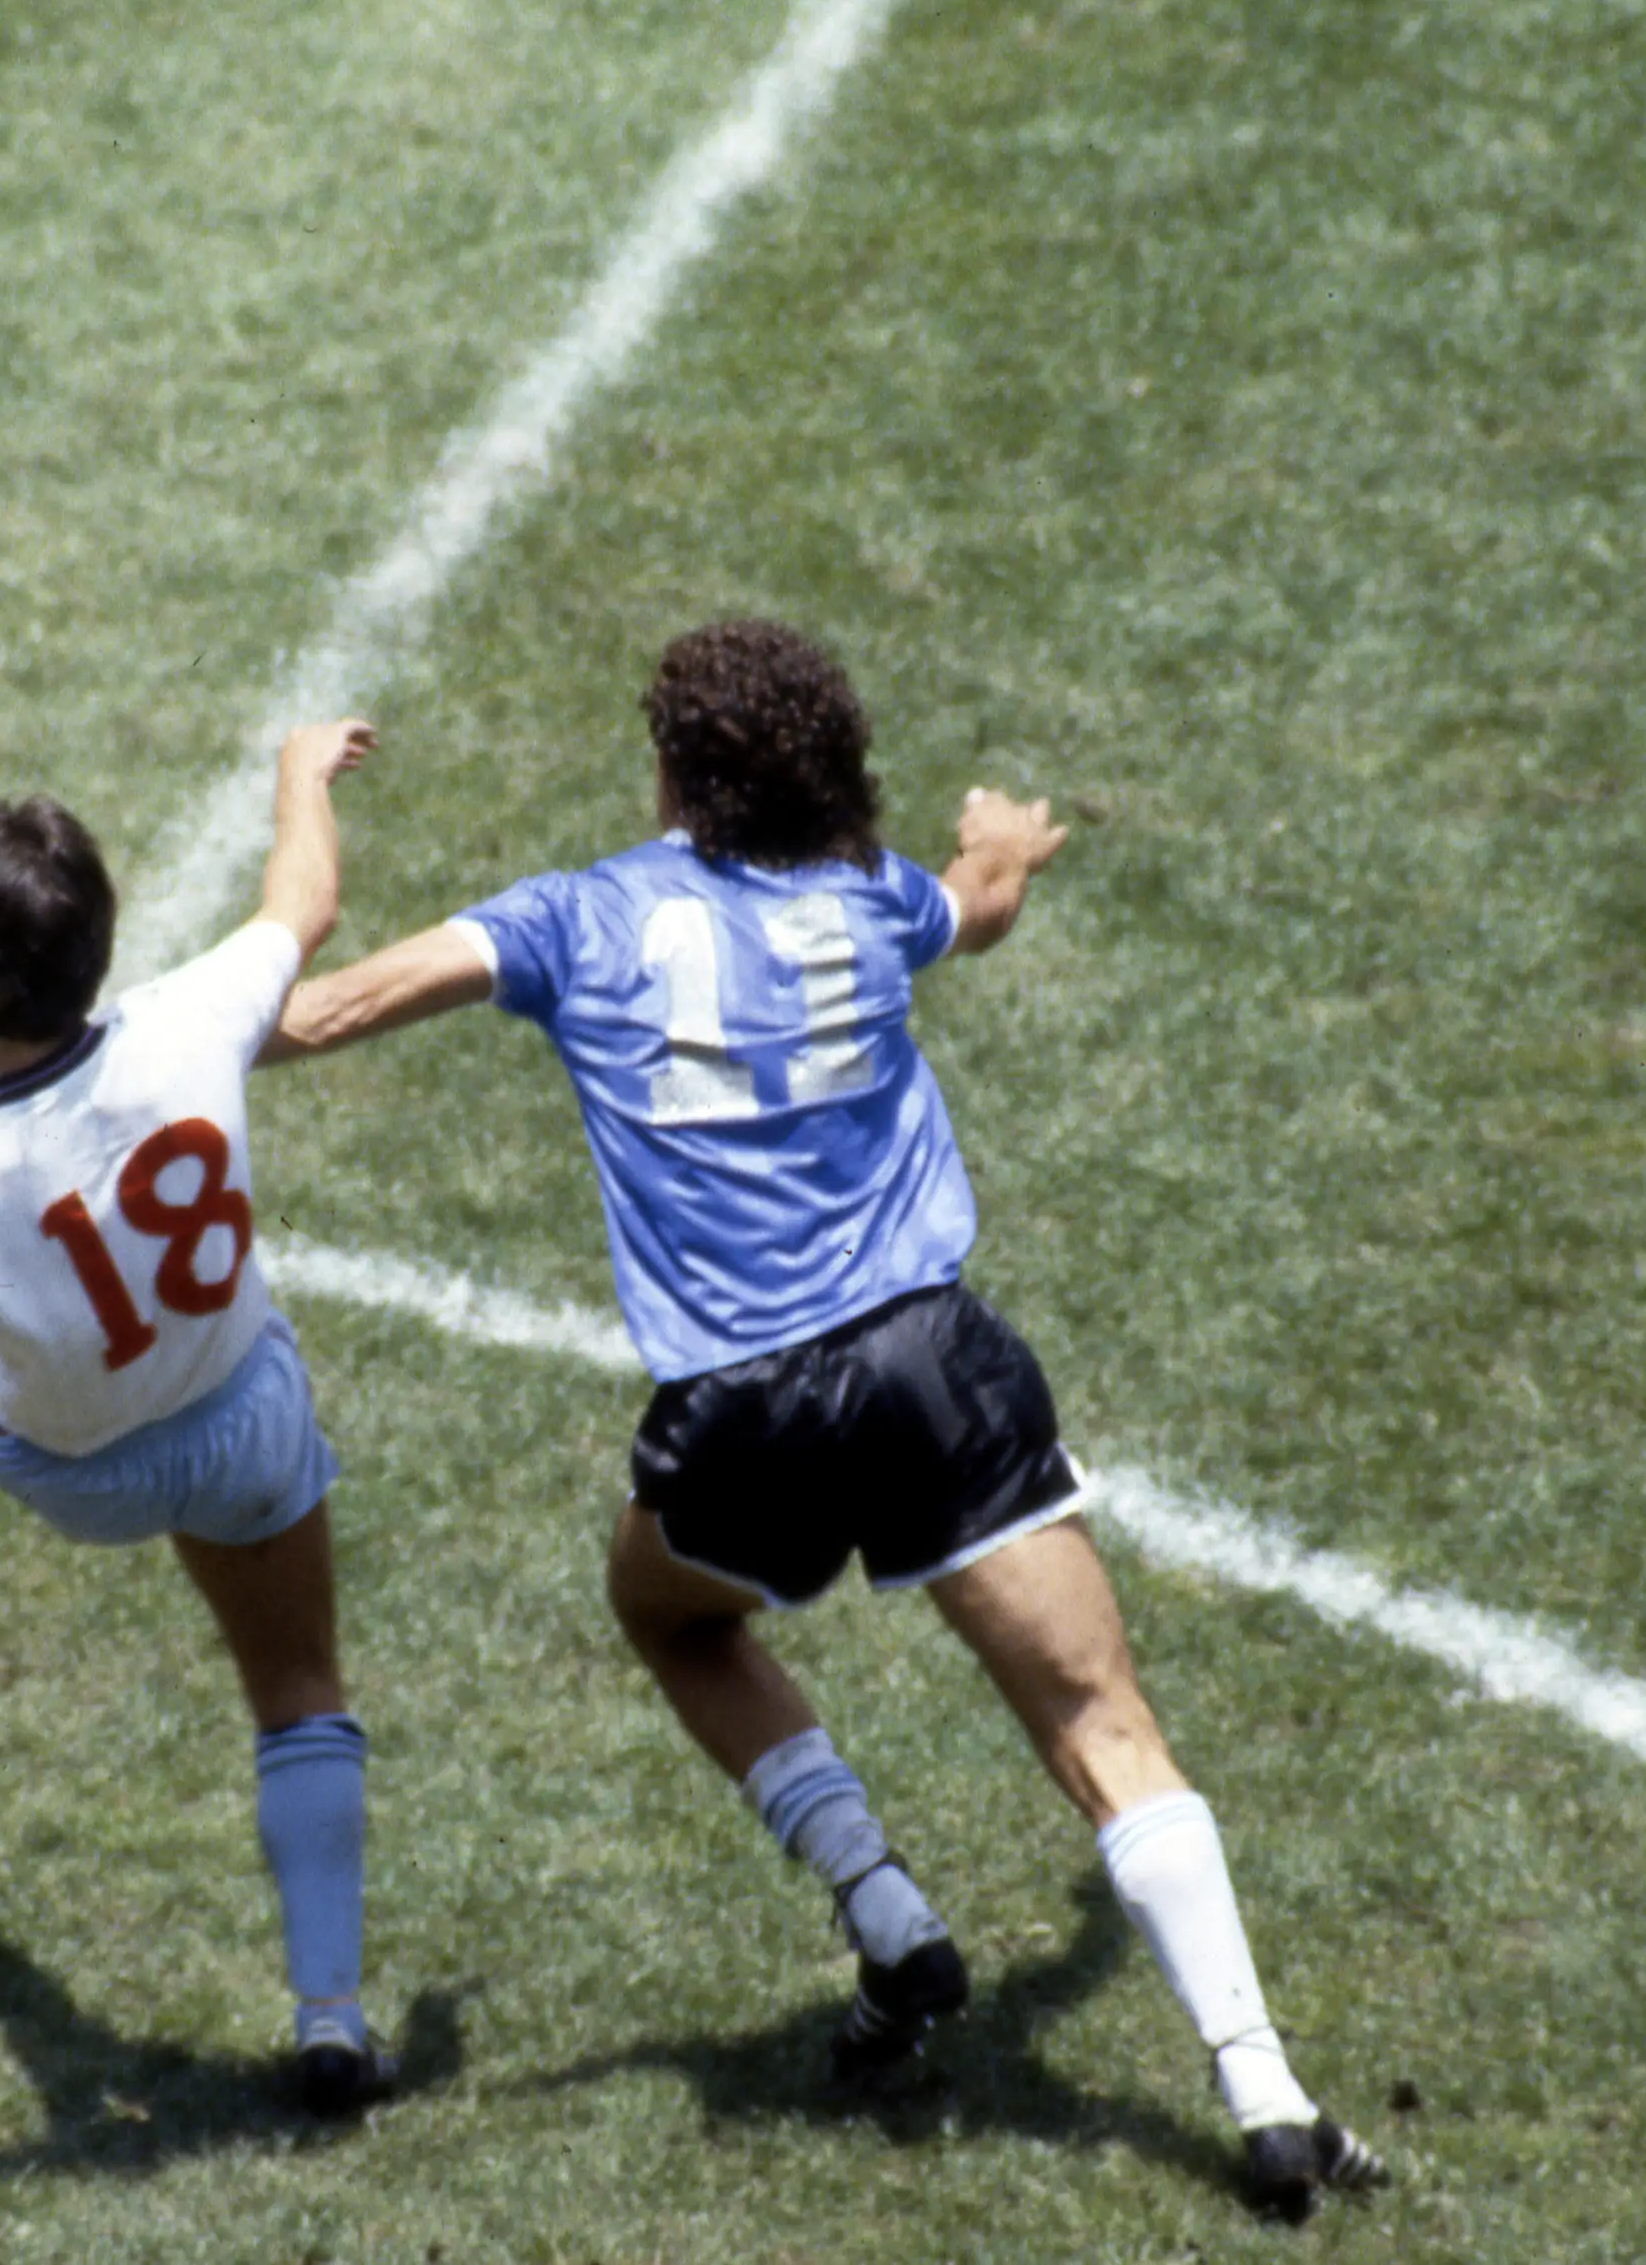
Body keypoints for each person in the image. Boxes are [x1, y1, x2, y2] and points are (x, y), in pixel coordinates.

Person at [263, 620, 1384, 2220]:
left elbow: (301, 1014)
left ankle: (879, 1897)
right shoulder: (873, 900)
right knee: (1102, 1724)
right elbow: (977, 906)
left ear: (677, 774)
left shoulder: (578, 918)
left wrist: (302, 806)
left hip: (749, 1414)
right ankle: (1266, 2092)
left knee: (667, 1614)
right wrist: (999, 844)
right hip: (941, 1371)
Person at [0, 721, 395, 2117]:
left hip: (72, 1470)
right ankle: (332, 2016)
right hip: (241, 1408)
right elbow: (306, 901)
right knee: (300, 1694)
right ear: (105, 933)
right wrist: (298, 769)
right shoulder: (193, 1009)